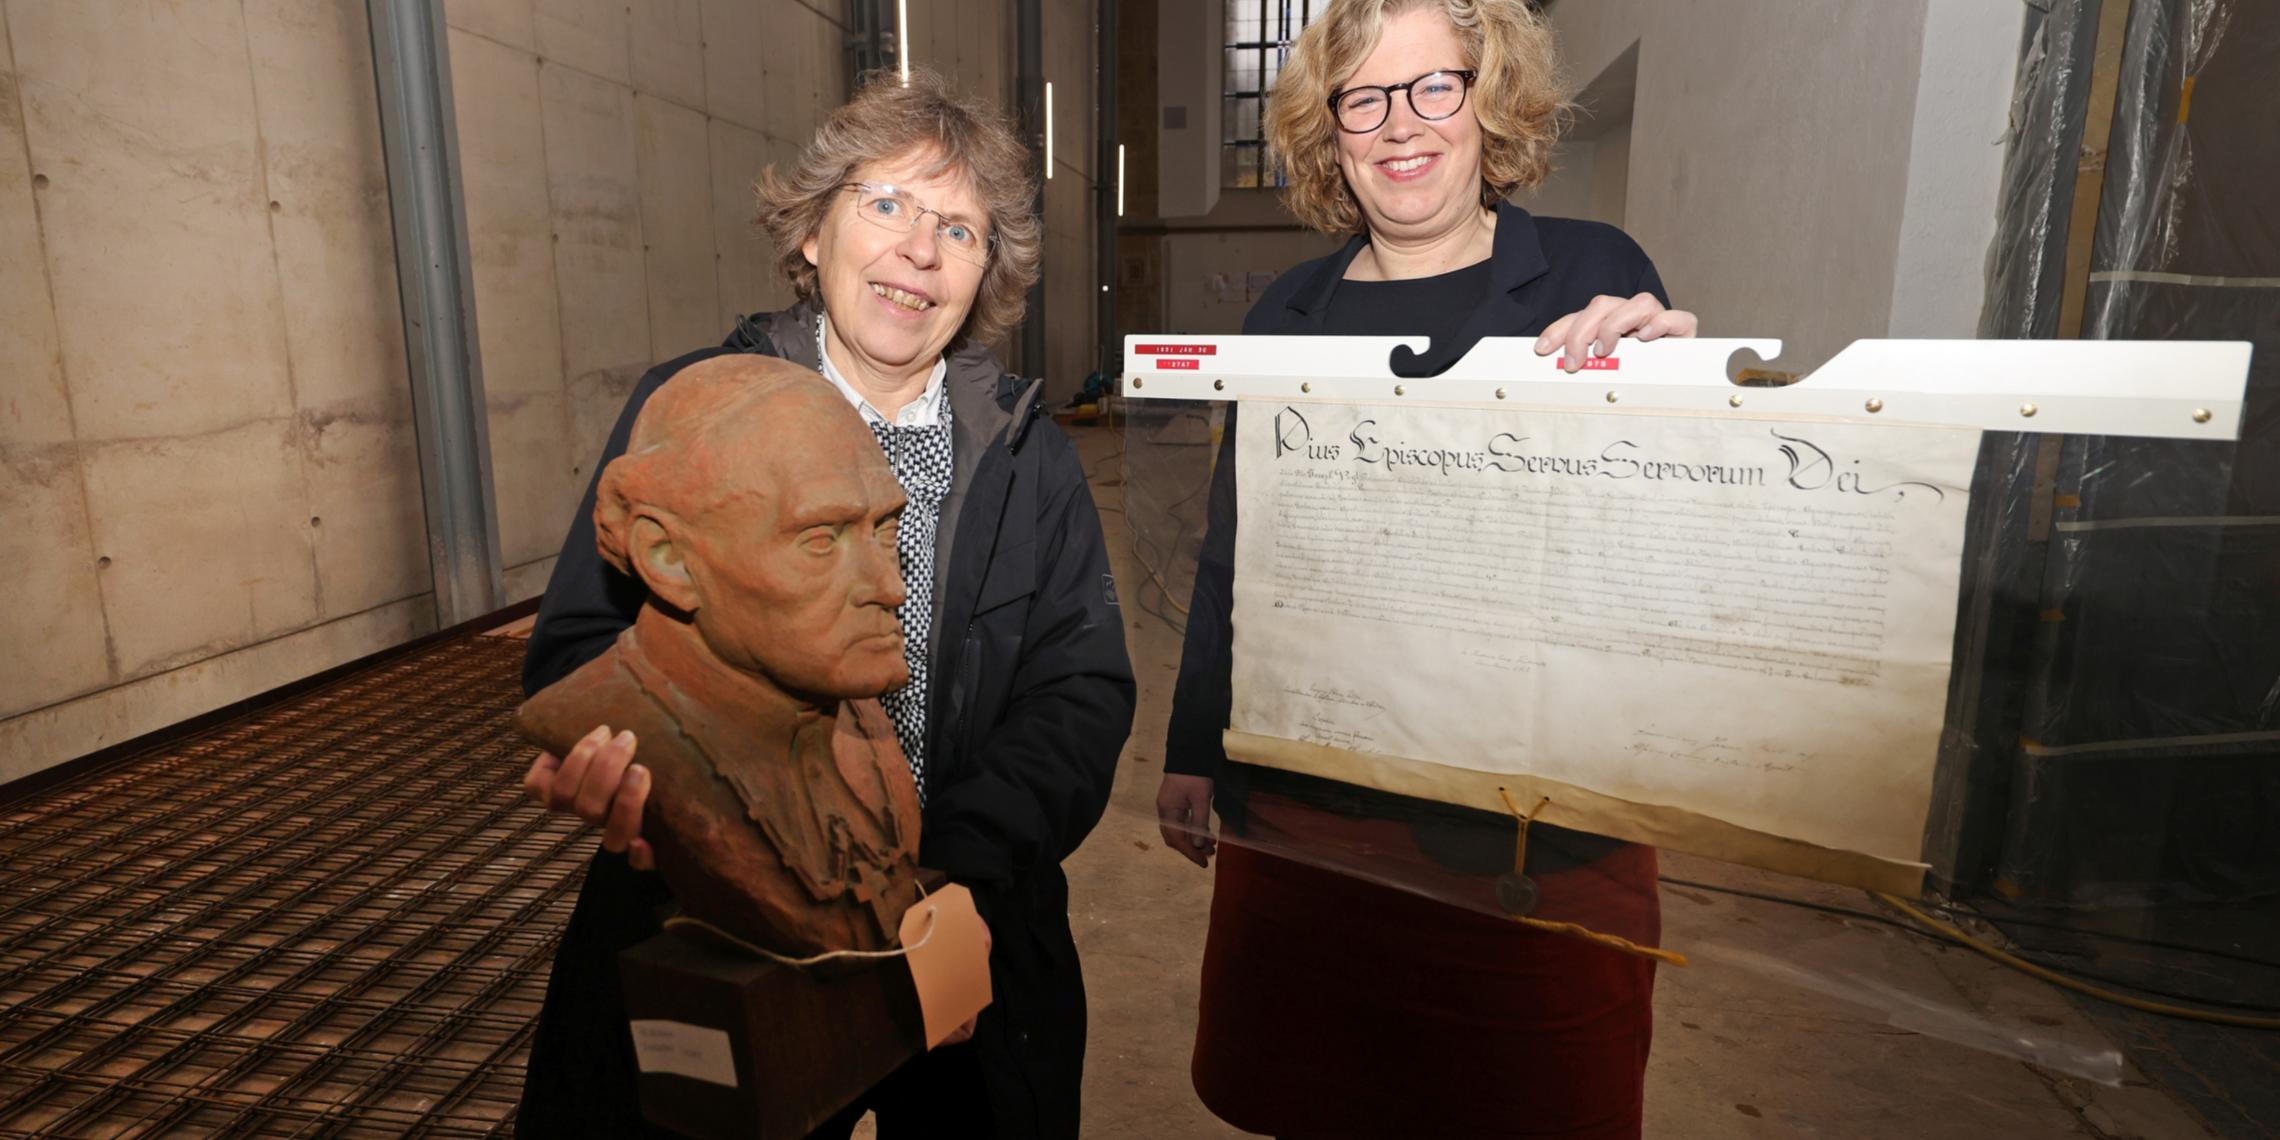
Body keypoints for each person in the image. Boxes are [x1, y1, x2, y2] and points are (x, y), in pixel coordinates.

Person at [517, 70, 1134, 1139]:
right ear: (813, 232)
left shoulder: (1027, 454)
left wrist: (954, 870)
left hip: (963, 914)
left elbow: (1078, 692)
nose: (919, 250)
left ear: (984, 273)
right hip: (715, 916)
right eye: (886, 204)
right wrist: (631, 769)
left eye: (959, 230)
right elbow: (581, 644)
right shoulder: (696, 410)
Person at [1155, 1, 1698, 1136]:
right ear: (1330, 131)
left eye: (1433, 86)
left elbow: (1662, 548)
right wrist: (1195, 747)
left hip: (1530, 837)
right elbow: (1237, 547)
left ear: (1488, 101)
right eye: (1364, 98)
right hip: (1310, 815)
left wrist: (1675, 403)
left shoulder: (1591, 277)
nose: (1400, 123)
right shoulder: (1286, 313)